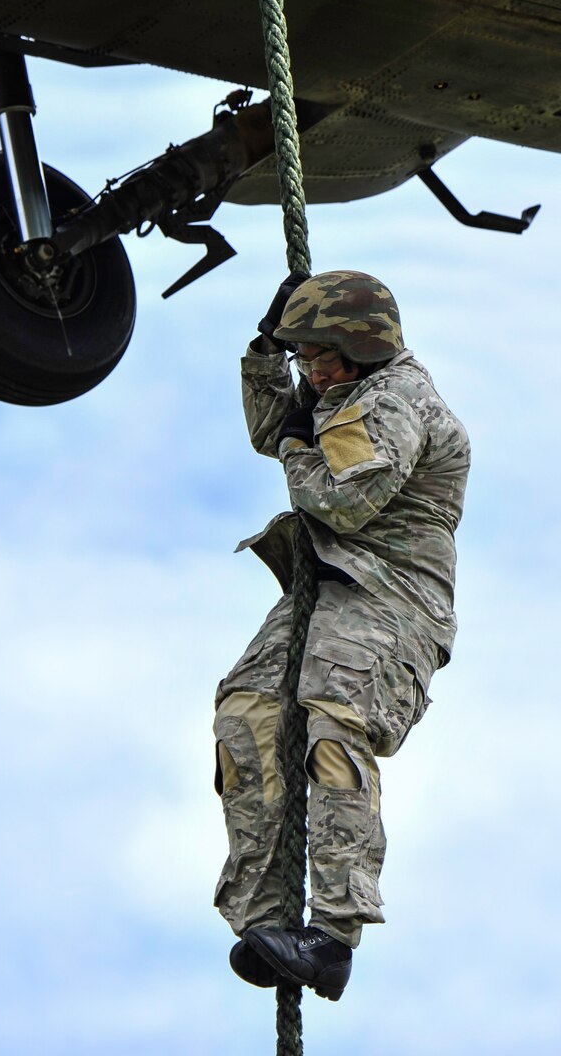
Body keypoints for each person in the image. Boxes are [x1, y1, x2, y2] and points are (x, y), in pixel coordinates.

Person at [213, 270, 470, 1001]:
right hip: (327, 587)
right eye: (305, 359)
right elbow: (276, 431)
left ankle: (331, 934)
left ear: (364, 347)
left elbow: (338, 500)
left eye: (324, 357)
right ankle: (263, 917)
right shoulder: (337, 387)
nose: (314, 373)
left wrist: (299, 444)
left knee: (333, 729)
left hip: (391, 602)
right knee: (247, 715)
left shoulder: (393, 402)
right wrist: (267, 352)